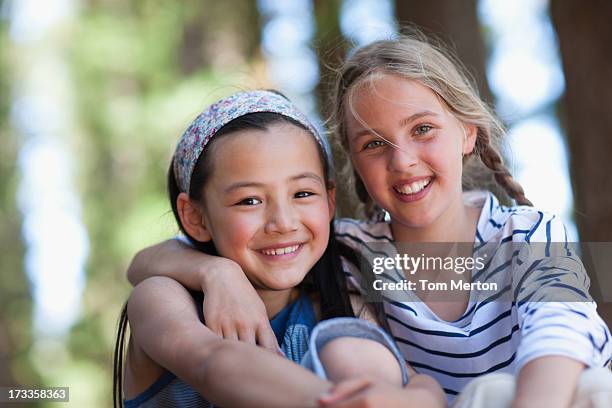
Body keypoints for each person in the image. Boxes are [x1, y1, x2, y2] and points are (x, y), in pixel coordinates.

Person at [127, 34, 612, 407]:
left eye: (423, 129)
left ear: (467, 132)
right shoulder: (355, 254)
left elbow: (560, 334)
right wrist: (216, 272)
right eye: (374, 144)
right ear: (353, 164)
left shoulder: (528, 234)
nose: (402, 162)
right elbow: (147, 265)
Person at [114, 89, 446, 408]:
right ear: (195, 217)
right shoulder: (161, 298)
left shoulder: (335, 300)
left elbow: (416, 381)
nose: (283, 222)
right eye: (249, 200)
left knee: (352, 348)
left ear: (330, 202)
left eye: (302, 194)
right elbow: (212, 364)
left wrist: (421, 399)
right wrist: (217, 273)